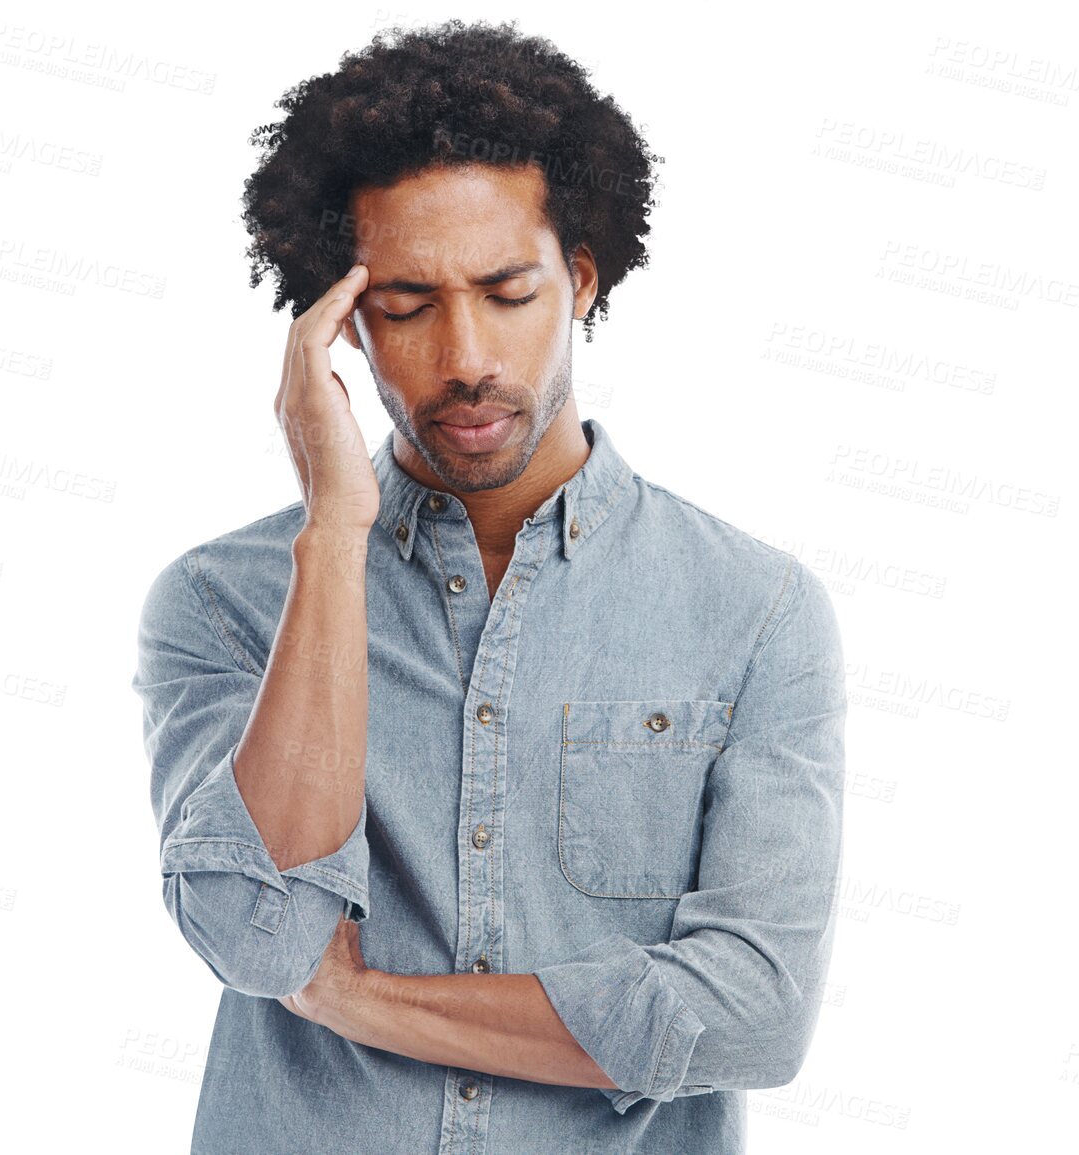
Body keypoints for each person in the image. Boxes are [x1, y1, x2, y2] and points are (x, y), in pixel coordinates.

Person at [131, 19, 846, 1154]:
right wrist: (333, 539)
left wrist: (364, 1000)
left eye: (507, 291)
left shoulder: (753, 612)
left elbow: (752, 1017)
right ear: (342, 325)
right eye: (407, 306)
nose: (466, 354)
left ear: (582, 279)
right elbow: (261, 940)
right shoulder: (223, 602)